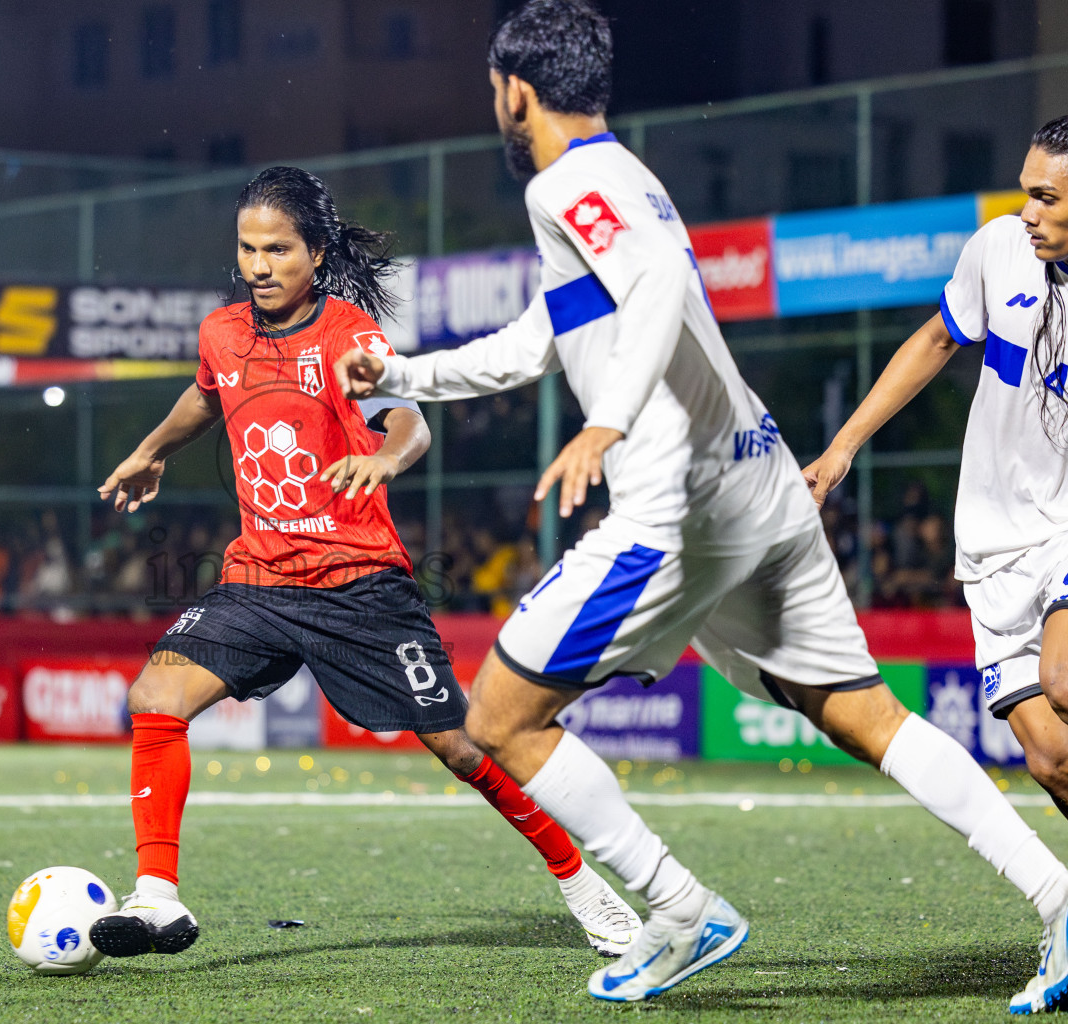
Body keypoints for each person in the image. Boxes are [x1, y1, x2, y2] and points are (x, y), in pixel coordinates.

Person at [333, 2, 1068, 1011]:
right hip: (759, 478)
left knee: (499, 717)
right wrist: (405, 371)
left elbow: (655, 289)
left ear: (515, 91)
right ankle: (1059, 896)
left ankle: (680, 909)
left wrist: (609, 422)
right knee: (867, 714)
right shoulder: (627, 175)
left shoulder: (570, 182)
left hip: (678, 507)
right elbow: (541, 336)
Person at [88, 165, 641, 961]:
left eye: (277, 249)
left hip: (361, 585)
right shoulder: (222, 333)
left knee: (462, 747)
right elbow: (207, 395)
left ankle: (580, 880)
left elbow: (408, 419)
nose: (259, 265)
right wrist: (149, 452)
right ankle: (158, 902)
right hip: (261, 579)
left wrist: (386, 458)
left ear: (315, 253)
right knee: (156, 695)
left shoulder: (346, 333)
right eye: (247, 249)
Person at [806, 115, 1068, 1011]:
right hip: (992, 536)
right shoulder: (998, 249)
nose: (1028, 211)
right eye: (1026, 188)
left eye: (1048, 196)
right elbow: (933, 342)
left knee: (1064, 679)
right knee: (1047, 755)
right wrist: (842, 449)